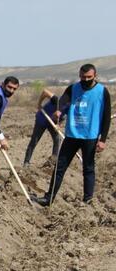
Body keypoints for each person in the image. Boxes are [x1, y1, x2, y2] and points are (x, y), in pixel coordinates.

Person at [34, 64, 111, 206]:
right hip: (72, 135)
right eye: (83, 77)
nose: (85, 79)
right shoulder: (73, 88)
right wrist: (59, 111)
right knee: (59, 167)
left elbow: (106, 117)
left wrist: (103, 139)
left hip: (90, 136)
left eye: (89, 77)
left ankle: (87, 200)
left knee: (88, 168)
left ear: (95, 76)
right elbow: (63, 102)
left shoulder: (102, 91)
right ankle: (48, 198)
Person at [23, 88, 64, 166]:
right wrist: (39, 104)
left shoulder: (69, 108)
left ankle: (54, 160)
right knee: (35, 140)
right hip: (42, 119)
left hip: (53, 122)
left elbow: (63, 117)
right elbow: (45, 92)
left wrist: (58, 125)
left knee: (57, 139)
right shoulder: (57, 101)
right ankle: (26, 162)